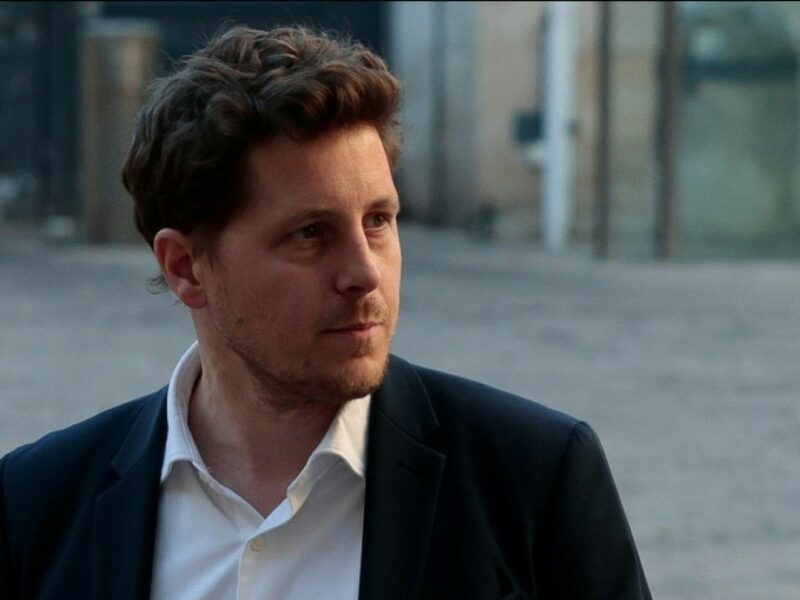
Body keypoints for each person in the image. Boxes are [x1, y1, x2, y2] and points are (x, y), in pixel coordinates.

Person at [0, 26, 651, 599]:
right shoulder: (38, 502)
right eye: (310, 234)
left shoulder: (533, 480)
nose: (365, 272)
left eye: (379, 221)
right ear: (185, 267)